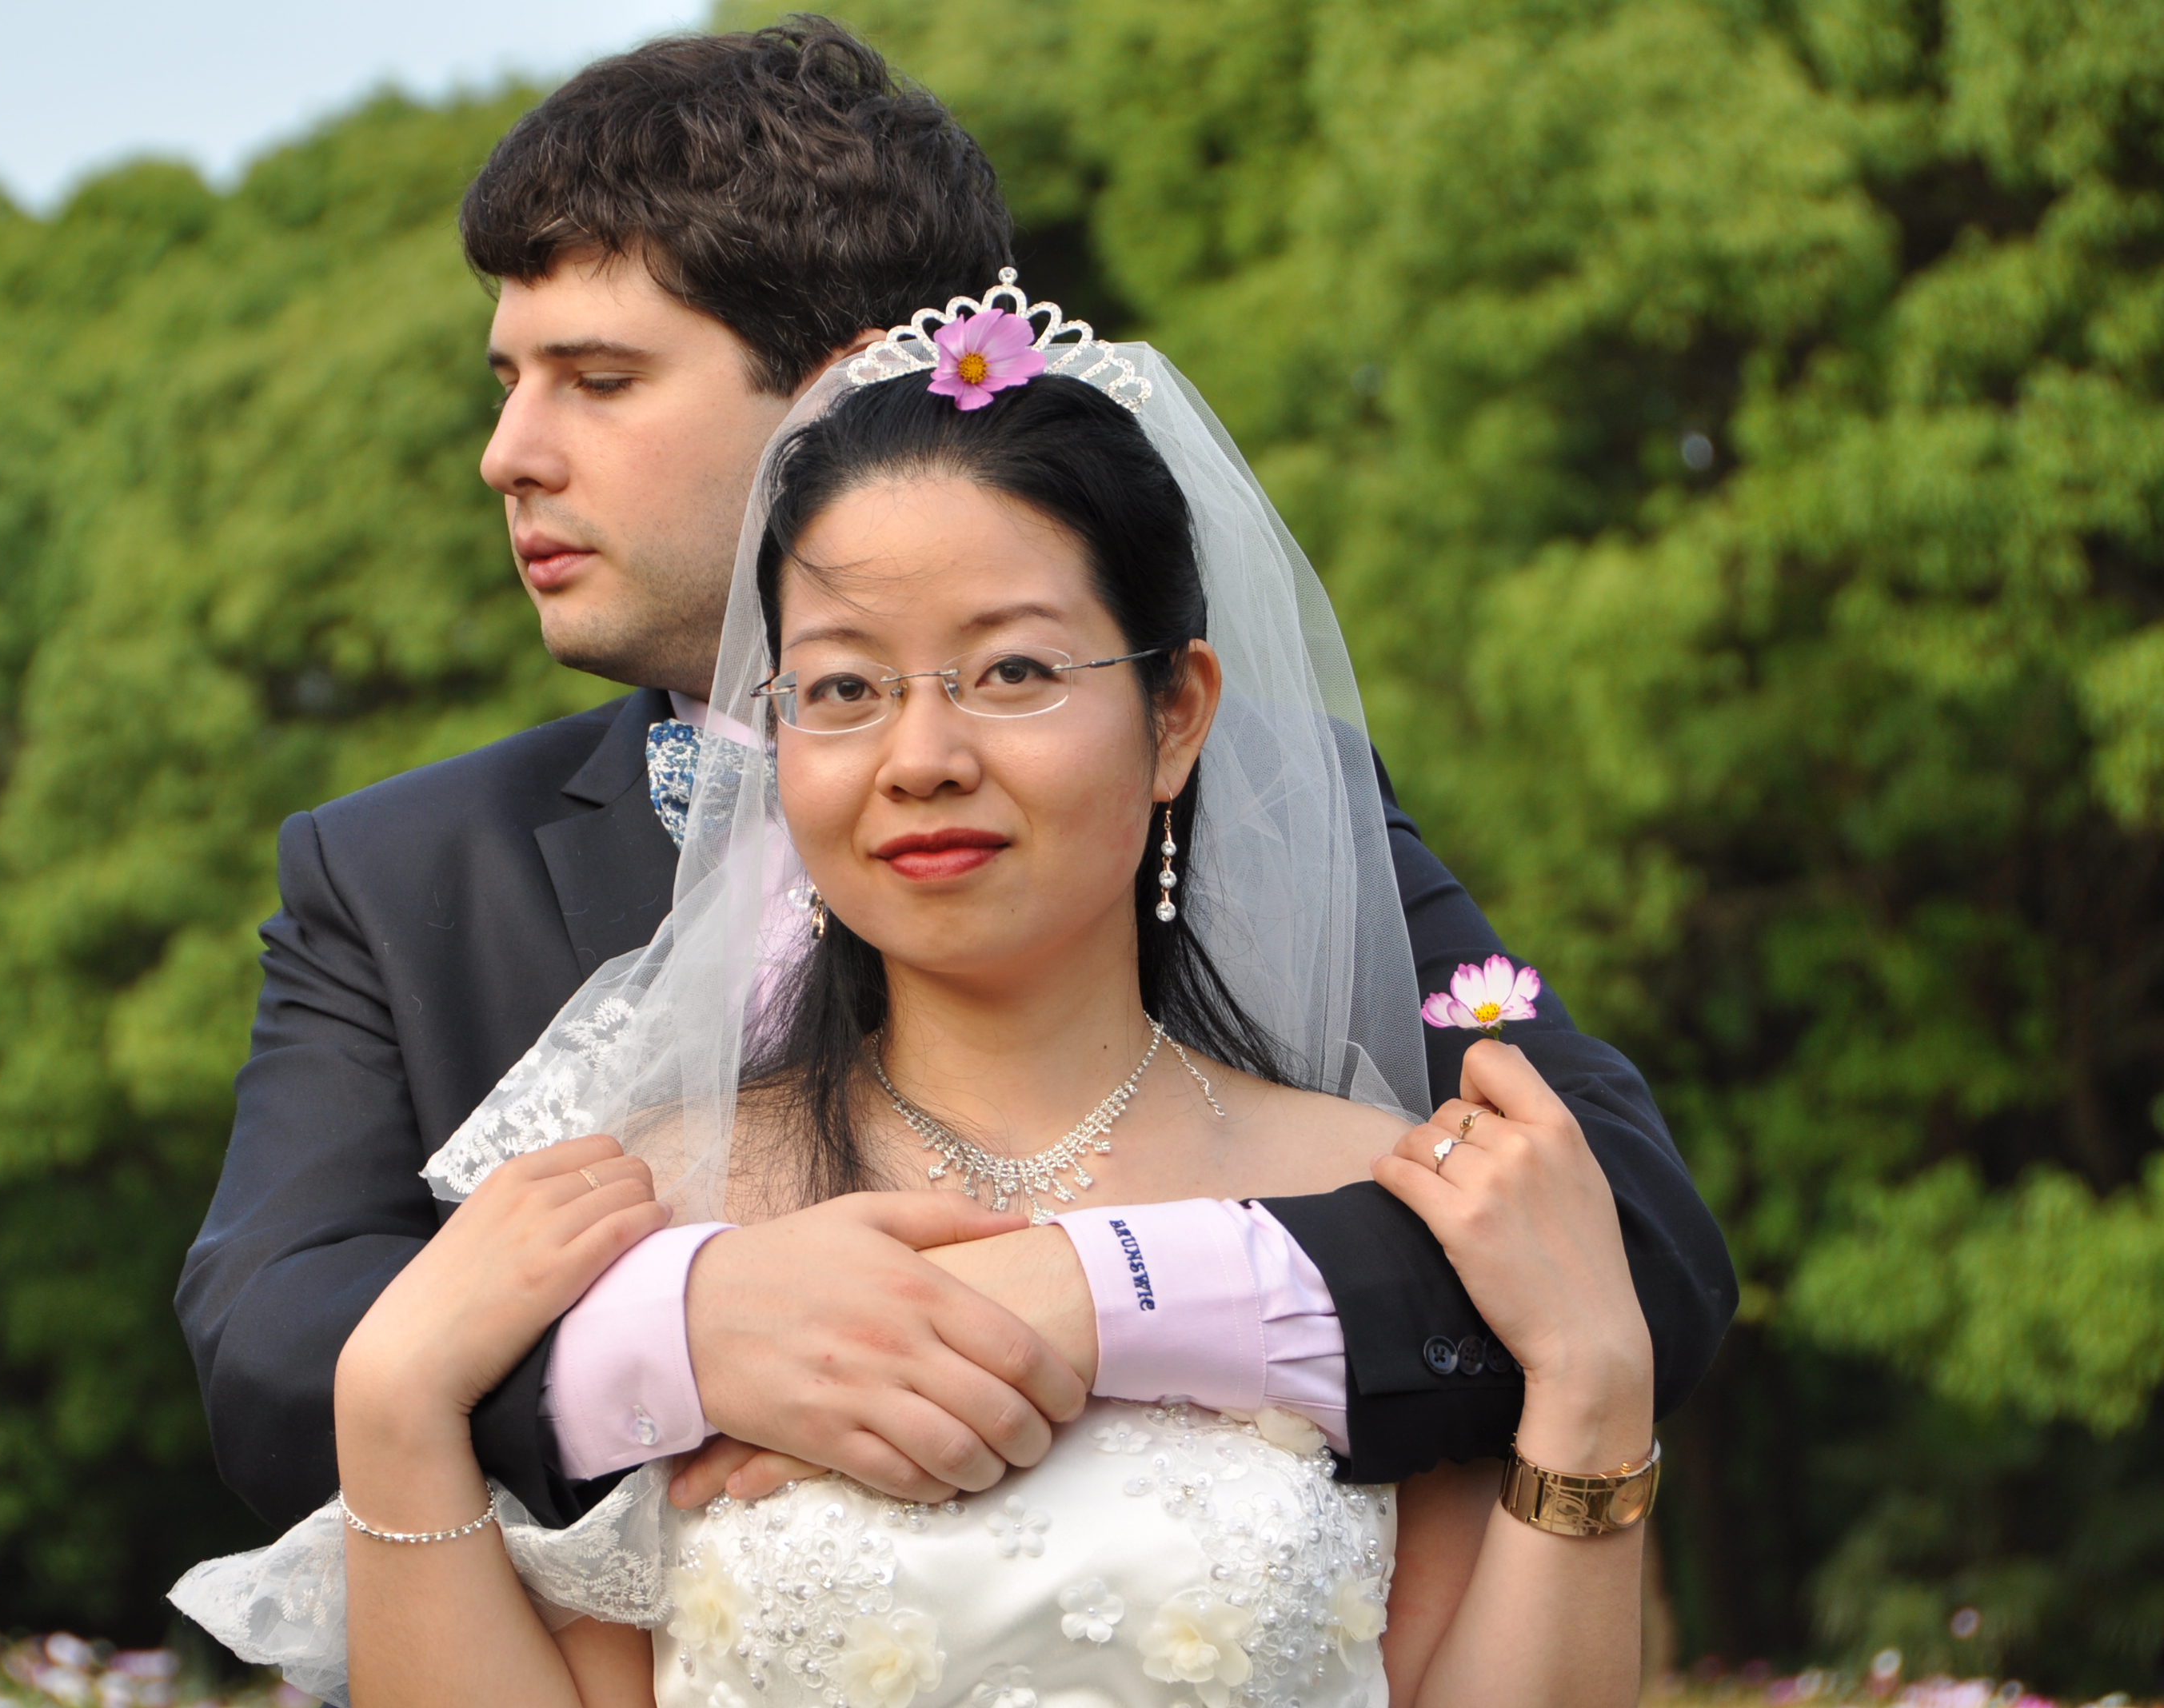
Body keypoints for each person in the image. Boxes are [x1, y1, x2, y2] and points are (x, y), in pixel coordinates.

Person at [172, 19, 1733, 1545]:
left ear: (845, 390)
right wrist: (683, 1333)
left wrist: (1099, 1289)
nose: (508, 452)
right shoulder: (400, 874)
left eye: (599, 378)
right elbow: (269, 1354)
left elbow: (1633, 1238)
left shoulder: (1245, 791)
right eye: (508, 381)